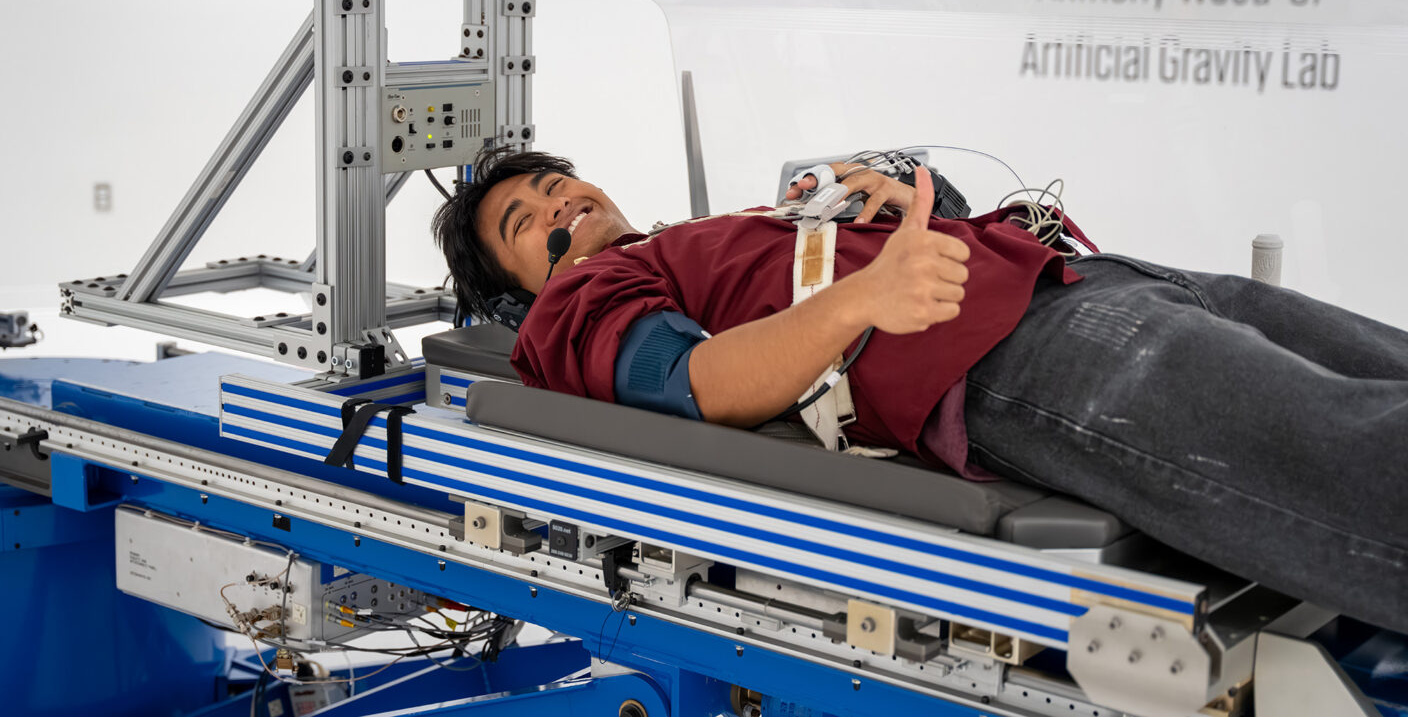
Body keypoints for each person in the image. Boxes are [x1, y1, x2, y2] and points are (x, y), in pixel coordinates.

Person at [432, 146, 1408, 634]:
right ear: (522, 283)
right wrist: (861, 294)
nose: (558, 198)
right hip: (1024, 352)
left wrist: (903, 199)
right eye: (524, 216)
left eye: (557, 180)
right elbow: (699, 384)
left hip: (1095, 281)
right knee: (1366, 461)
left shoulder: (703, 230)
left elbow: (875, 258)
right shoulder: (579, 302)